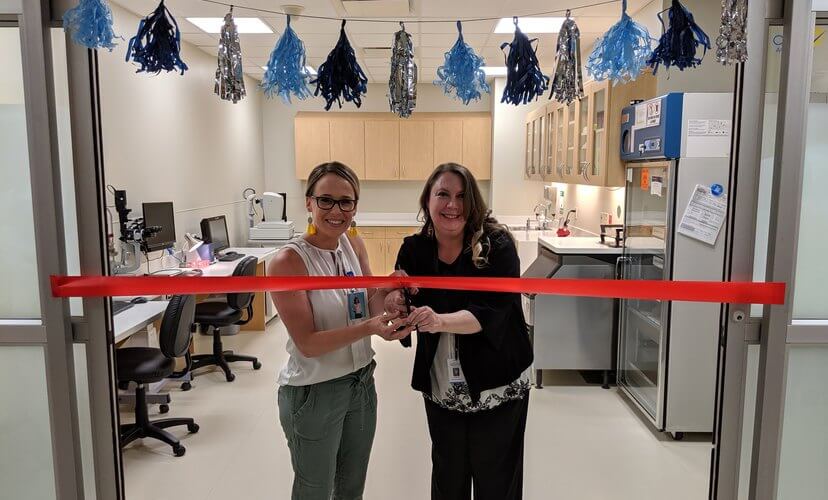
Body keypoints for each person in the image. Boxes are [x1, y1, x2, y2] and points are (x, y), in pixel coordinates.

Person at [385, 163, 533, 500]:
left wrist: (439, 321)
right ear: (428, 200)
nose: (453, 205)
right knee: (447, 478)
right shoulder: (414, 249)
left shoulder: (497, 245)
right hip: (442, 388)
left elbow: (490, 313)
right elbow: (402, 296)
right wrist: (396, 300)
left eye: (462, 196)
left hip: (498, 383)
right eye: (443, 194)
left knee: (496, 482)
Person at [269, 161, 412, 500]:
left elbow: (367, 303)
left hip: (361, 383)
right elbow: (307, 344)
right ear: (309, 203)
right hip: (314, 392)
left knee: (351, 487)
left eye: (346, 201)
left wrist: (390, 297)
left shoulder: (354, 246)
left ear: (355, 207)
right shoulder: (288, 262)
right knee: (314, 490)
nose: (336, 210)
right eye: (326, 200)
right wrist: (369, 327)